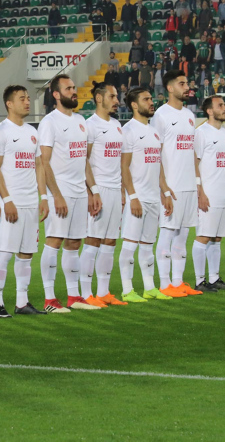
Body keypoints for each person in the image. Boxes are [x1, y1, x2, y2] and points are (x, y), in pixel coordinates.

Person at [38, 75, 100, 311]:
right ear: (56, 94)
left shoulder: (81, 120)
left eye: (74, 87)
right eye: (68, 88)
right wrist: (55, 195)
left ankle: (74, 297)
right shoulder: (49, 122)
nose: (74, 91)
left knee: (74, 243)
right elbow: (44, 162)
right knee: (54, 241)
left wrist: (93, 190)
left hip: (80, 191)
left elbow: (83, 160)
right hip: (61, 190)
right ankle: (49, 299)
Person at [0, 85, 50, 317]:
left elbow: (38, 165)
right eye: (22, 98)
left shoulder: (32, 131)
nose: (27, 102)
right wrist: (6, 199)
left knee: (26, 253)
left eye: (28, 98)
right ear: (9, 103)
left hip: (30, 202)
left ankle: (22, 302)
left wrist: (43, 196)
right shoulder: (1, 131)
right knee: (5, 252)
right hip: (11, 202)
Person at [150, 70, 203, 298]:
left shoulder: (190, 115)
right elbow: (156, 154)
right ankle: (165, 284)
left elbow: (192, 152)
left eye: (187, 83)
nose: (187, 87)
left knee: (183, 237)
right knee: (167, 234)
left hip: (189, 185)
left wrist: (198, 184)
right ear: (170, 88)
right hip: (172, 186)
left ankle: (178, 282)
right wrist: (163, 188)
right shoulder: (160, 115)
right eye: (182, 83)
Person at [118, 88, 173, 302]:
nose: (151, 102)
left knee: (148, 245)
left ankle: (149, 287)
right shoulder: (128, 130)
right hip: (138, 197)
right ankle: (127, 289)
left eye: (151, 98)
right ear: (134, 104)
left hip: (152, 197)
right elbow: (124, 166)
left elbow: (157, 164)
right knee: (130, 244)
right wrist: (132, 196)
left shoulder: (154, 132)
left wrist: (165, 191)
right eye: (146, 99)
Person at [80, 83, 129, 305]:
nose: (117, 100)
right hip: (98, 190)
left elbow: (119, 162)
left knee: (110, 241)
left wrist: (121, 191)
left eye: (116, 96)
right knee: (93, 240)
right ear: (99, 98)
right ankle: (85, 294)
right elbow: (83, 161)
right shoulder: (89, 126)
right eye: (112, 96)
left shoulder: (117, 125)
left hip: (114, 190)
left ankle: (103, 292)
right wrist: (92, 192)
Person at [191, 95, 225, 292]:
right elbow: (194, 163)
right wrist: (200, 192)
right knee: (203, 236)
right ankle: (199, 281)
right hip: (208, 194)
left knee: (217, 238)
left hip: (222, 194)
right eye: (220, 105)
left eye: (224, 105)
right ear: (209, 111)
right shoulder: (201, 133)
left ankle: (215, 278)